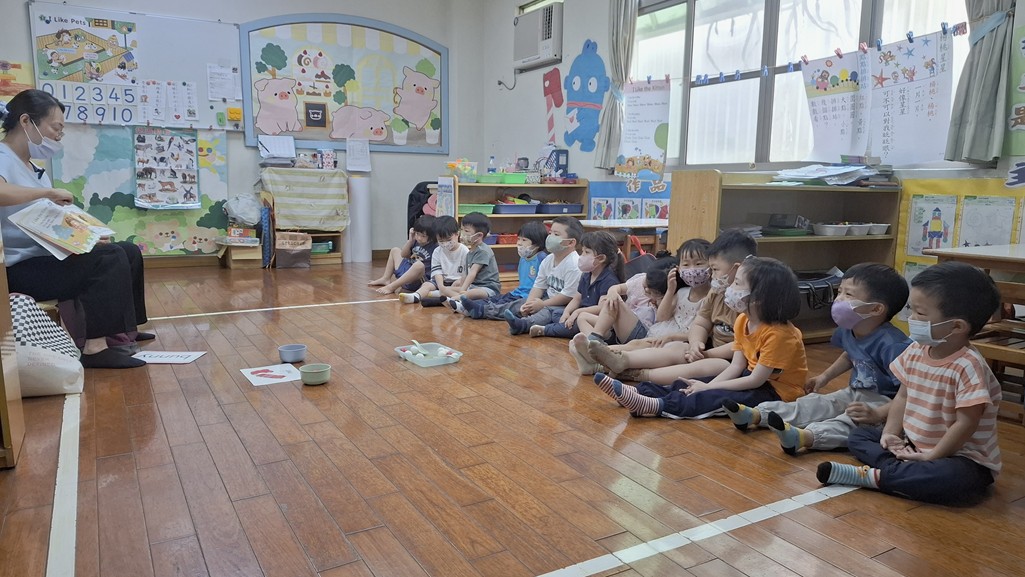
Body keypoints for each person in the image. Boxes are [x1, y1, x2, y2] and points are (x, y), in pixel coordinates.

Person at [816, 262, 1003, 506]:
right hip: (913, 443)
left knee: (953, 476)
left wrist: (932, 456)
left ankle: (877, 477)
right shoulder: (916, 350)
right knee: (859, 436)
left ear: (957, 326)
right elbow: (903, 396)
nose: (911, 319)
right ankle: (900, 472)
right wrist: (890, 433)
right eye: (911, 310)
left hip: (960, 457)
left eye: (920, 314)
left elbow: (965, 423)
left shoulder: (969, 367)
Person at [0, 89, 148, 369]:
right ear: (26, 121)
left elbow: (47, 219)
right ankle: (94, 348)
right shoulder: (3, 156)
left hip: (43, 257)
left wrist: (86, 236)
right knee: (108, 258)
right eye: (56, 128)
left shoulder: (31, 168)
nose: (59, 136)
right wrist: (45, 194)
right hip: (18, 269)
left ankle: (124, 331)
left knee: (127, 251)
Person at [723, 263, 912, 454]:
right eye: (839, 292)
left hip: (887, 403)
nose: (839, 299)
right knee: (818, 402)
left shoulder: (893, 345)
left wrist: (879, 413)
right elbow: (850, 355)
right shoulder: (849, 329)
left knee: (849, 422)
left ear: (876, 309)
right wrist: (824, 377)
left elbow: (910, 393)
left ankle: (806, 437)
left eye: (849, 294)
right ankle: (757, 415)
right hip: (856, 392)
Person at [592, 257, 807, 419]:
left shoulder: (780, 335)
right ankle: (639, 392)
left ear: (759, 297)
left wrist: (710, 388)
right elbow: (736, 367)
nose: (730, 288)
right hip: (750, 377)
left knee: (713, 397)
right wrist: (708, 384)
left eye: (737, 284)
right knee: (692, 383)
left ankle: (656, 406)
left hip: (777, 392)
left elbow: (756, 380)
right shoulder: (743, 320)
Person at [586, 229, 756, 384]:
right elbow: (701, 323)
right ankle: (613, 358)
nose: (711, 274)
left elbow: (740, 345)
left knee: (714, 365)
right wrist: (696, 343)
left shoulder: (748, 303)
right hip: (701, 348)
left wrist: (705, 352)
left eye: (715, 269)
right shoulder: (715, 293)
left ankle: (636, 374)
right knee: (667, 347)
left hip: (728, 359)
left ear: (737, 269)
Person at [569, 259, 672, 375]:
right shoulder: (640, 279)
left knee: (615, 302)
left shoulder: (665, 298)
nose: (646, 290)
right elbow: (616, 288)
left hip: (640, 330)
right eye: (645, 286)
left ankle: (592, 347)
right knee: (583, 317)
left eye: (650, 291)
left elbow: (661, 317)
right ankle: (593, 346)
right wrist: (612, 293)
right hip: (618, 325)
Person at [525, 230, 623, 338]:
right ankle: (564, 327)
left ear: (601, 258)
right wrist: (567, 312)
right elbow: (577, 298)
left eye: (587, 252)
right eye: (582, 251)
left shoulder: (609, 280)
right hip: (581, 314)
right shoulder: (587, 275)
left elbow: (601, 308)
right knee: (557, 313)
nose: (582, 256)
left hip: (597, 320)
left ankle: (546, 330)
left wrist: (577, 312)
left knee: (576, 321)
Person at [503, 216, 583, 335]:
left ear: (571, 242)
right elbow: (538, 286)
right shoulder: (548, 259)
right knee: (520, 303)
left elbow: (568, 296)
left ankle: (523, 324)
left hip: (565, 305)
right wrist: (528, 304)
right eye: (550, 233)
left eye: (556, 234)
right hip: (548, 299)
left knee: (547, 311)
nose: (550, 237)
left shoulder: (574, 264)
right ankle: (484, 310)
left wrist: (543, 304)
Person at [459, 221, 546, 319]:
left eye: (524, 240)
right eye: (518, 239)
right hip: (518, 293)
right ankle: (466, 306)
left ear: (537, 243)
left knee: (507, 306)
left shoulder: (542, 259)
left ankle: (481, 311)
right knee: (497, 299)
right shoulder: (523, 258)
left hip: (529, 297)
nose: (519, 243)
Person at [438, 211, 501, 308]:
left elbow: (472, 273)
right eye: (462, 230)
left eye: (466, 231)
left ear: (479, 235)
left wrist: (463, 290)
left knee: (472, 293)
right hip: (473, 287)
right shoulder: (470, 252)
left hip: (488, 289)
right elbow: (465, 274)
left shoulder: (483, 251)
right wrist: (460, 285)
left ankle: (457, 300)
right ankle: (458, 301)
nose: (462, 233)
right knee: (445, 289)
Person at [399, 215, 465, 305]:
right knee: (426, 285)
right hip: (441, 282)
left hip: (457, 282)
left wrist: (459, 281)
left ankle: (447, 296)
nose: (445, 244)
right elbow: (437, 271)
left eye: (448, 240)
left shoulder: (464, 251)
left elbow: (467, 273)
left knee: (463, 288)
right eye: (441, 241)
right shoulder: (437, 251)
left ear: (457, 234)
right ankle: (416, 296)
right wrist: (441, 286)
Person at [369, 214, 437, 295]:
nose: (419, 238)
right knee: (395, 250)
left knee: (419, 265)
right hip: (406, 272)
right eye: (417, 234)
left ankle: (392, 286)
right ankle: (386, 278)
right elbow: (403, 255)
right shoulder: (415, 241)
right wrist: (410, 241)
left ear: (432, 236)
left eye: (423, 236)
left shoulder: (435, 247)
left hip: (418, 279)